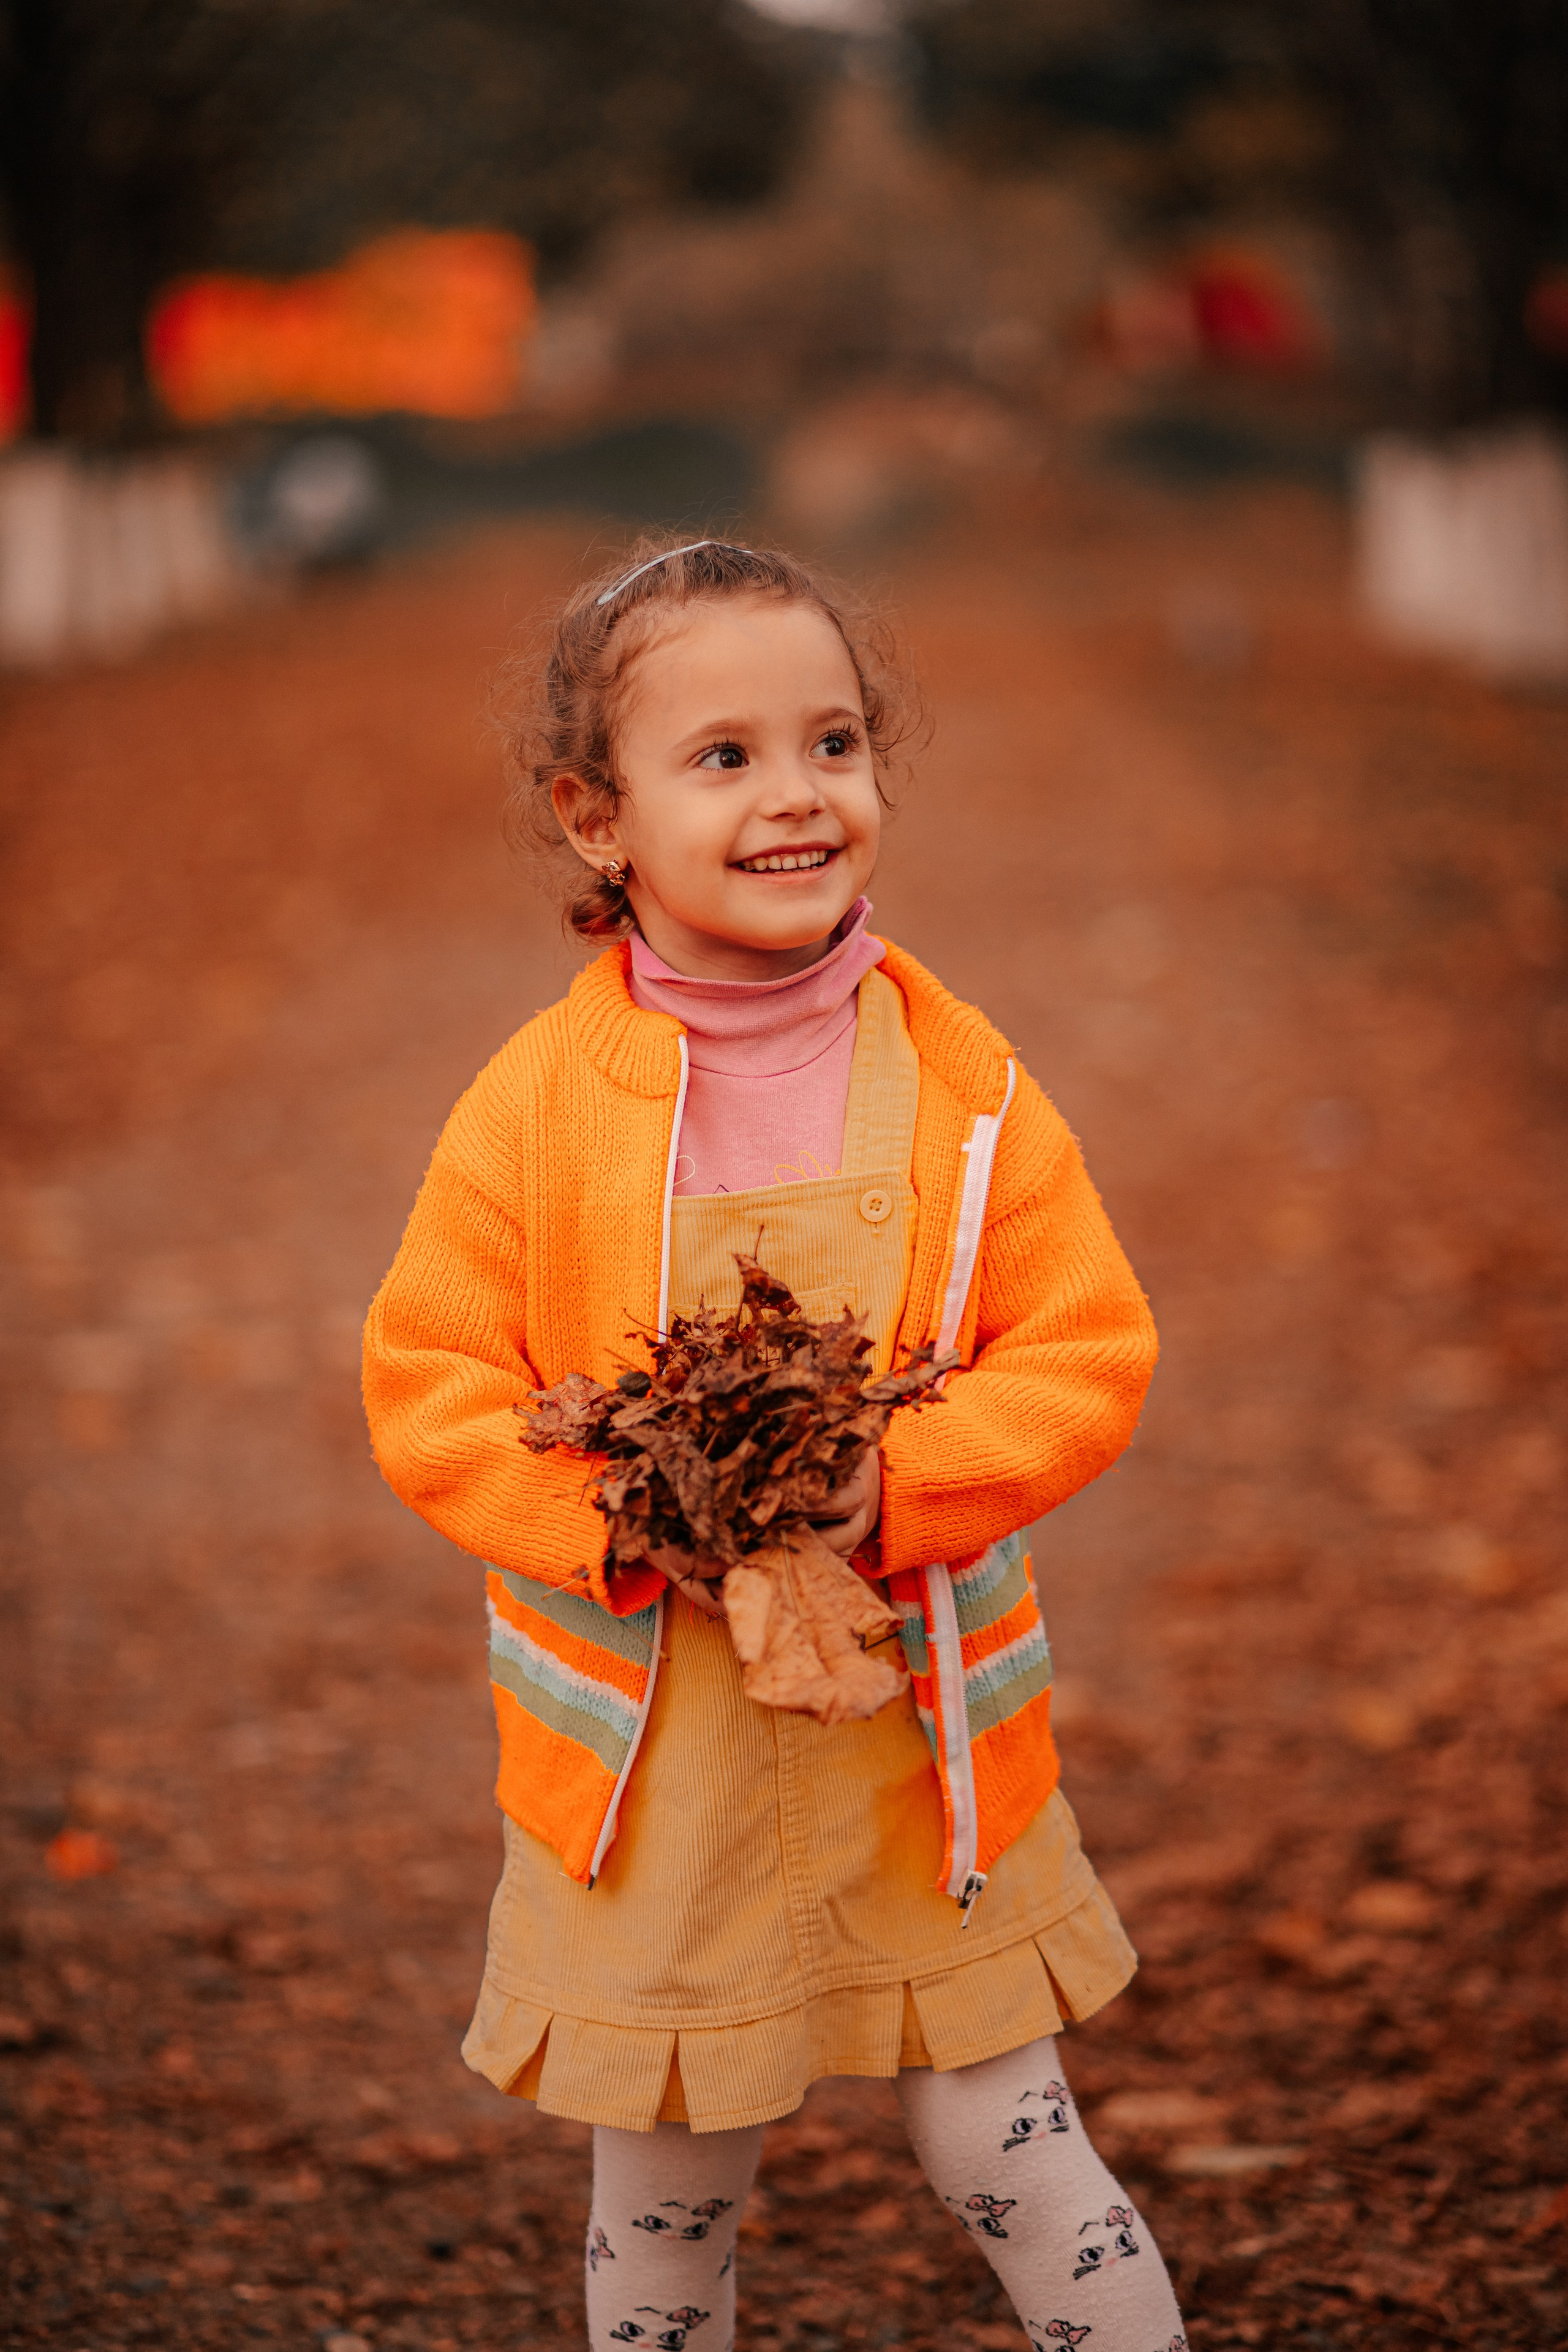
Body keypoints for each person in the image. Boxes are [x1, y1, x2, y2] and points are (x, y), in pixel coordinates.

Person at [361, 536, 1186, 2352]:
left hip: (926, 1740)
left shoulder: (963, 1085)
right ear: (599, 817)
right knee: (669, 2196)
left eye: (832, 742)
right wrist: (625, 1510)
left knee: (1018, 2148)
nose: (796, 793)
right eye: (722, 757)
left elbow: (1085, 1346)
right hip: (662, 1767)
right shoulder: (533, 1113)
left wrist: (900, 1478)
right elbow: (429, 1381)